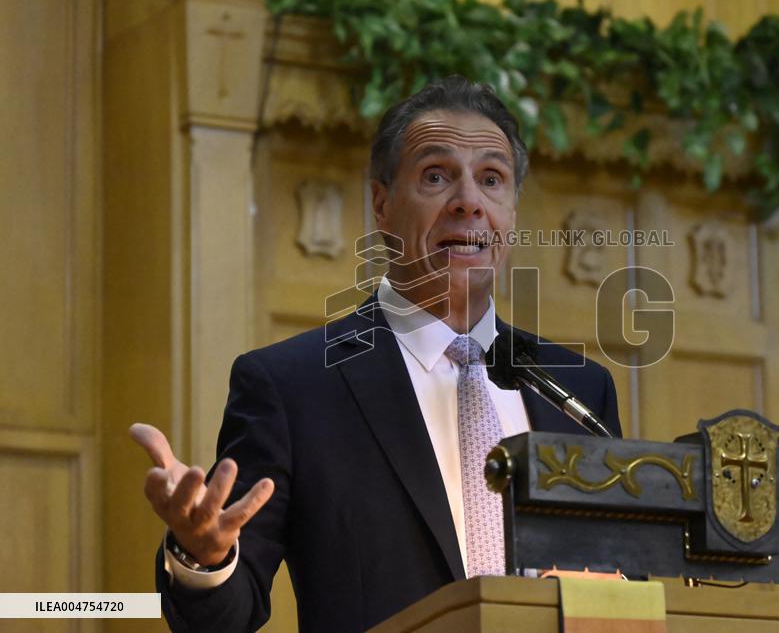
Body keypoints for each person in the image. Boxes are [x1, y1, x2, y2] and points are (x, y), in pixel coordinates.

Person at [130, 75, 622, 632]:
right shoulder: (293, 386)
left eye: (492, 180)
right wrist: (204, 557)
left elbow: (621, 585)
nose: (469, 202)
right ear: (382, 205)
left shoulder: (579, 391)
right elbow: (228, 616)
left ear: (512, 211)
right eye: (436, 176)